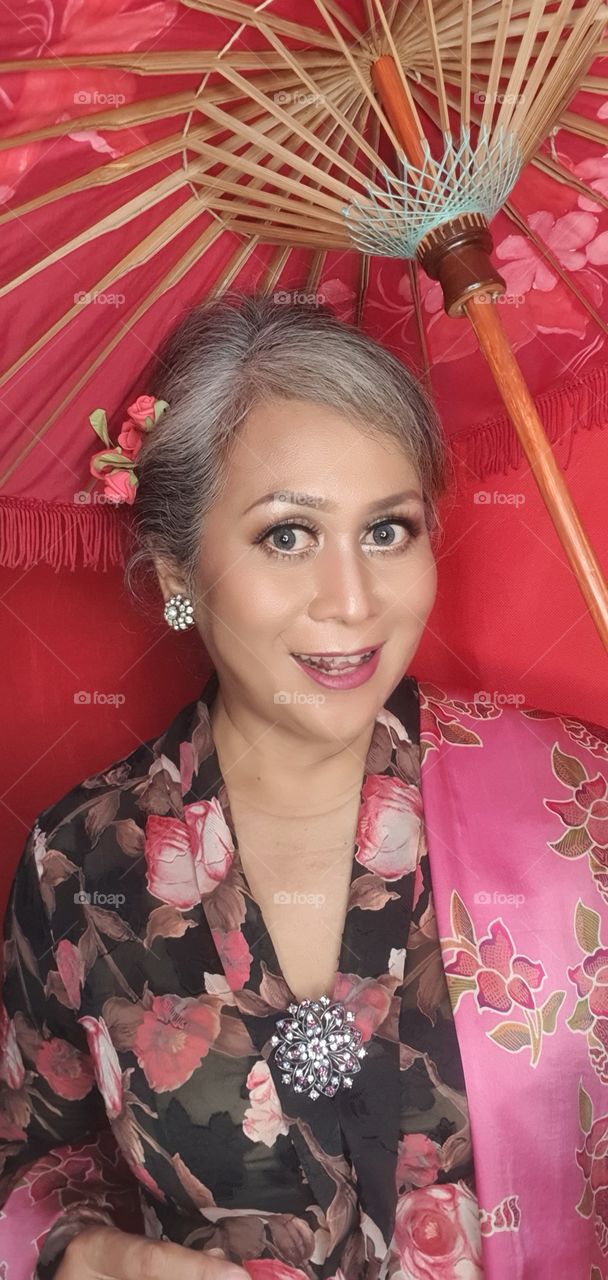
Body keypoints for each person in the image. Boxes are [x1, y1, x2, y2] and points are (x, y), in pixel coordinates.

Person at [0, 294, 606, 1280]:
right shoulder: (83, 863)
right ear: (177, 570)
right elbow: (39, 1167)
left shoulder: (576, 804)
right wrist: (84, 1253)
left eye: (387, 530)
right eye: (287, 535)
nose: (353, 601)